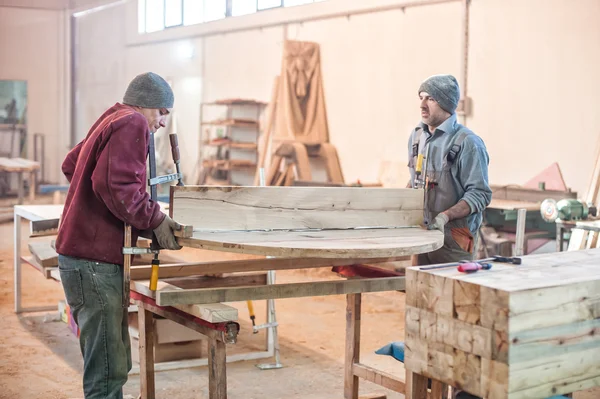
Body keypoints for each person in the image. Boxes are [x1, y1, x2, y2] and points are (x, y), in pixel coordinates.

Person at [55, 72, 183, 399]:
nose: (162, 122)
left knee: (114, 361)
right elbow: (117, 186)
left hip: (84, 260)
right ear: (145, 105)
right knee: (108, 371)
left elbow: (74, 164)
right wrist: (153, 219)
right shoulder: (133, 122)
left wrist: (116, 218)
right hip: (94, 264)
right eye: (161, 112)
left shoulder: (112, 117)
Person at [408, 74, 492, 266]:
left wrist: (445, 217)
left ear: (446, 103)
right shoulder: (416, 137)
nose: (422, 105)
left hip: (456, 239)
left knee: (451, 293)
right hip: (421, 235)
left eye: (431, 98)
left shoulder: (469, 143)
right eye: (421, 97)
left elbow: (480, 194)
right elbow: (415, 180)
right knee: (419, 291)